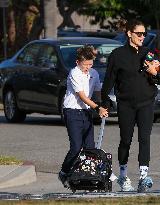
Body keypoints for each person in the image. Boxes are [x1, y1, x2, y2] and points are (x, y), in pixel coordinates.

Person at [101, 19, 160, 192]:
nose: (142, 37)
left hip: (146, 103)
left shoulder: (149, 54)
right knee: (126, 140)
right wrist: (104, 102)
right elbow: (109, 81)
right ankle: (123, 175)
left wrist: (154, 73)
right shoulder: (117, 55)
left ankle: (144, 178)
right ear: (129, 33)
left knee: (144, 139)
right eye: (139, 33)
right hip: (126, 104)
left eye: (144, 34)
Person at [58, 45, 108, 188]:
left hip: (86, 112)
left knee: (90, 147)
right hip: (72, 111)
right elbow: (82, 96)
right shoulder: (74, 73)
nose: (87, 67)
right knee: (76, 147)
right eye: (85, 64)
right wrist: (97, 107)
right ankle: (64, 172)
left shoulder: (94, 73)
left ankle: (88, 175)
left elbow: (97, 91)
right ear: (77, 62)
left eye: (90, 64)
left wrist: (102, 104)